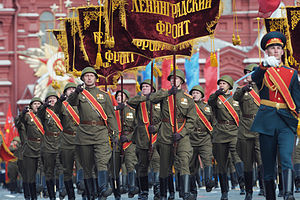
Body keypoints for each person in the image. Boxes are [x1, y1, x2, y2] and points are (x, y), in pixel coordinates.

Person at [251, 31, 300, 200]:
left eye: (279, 48)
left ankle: (288, 194)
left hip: (286, 121)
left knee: (287, 157)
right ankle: (270, 196)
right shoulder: (262, 70)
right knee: (268, 162)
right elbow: (254, 78)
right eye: (272, 48)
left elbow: (297, 99)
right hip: (267, 121)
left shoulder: (292, 73)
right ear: (267, 51)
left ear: (282, 51)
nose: (276, 51)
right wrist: (264, 66)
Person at [68, 67, 119, 199]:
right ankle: (90, 193)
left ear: (96, 78)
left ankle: (103, 188)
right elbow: (71, 102)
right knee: (87, 166)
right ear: (83, 79)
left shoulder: (104, 95)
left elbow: (111, 116)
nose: (89, 78)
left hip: (101, 132)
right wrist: (76, 92)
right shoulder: (79, 94)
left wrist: (115, 134)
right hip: (84, 133)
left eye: (91, 76)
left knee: (102, 161)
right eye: (86, 76)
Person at [148, 69, 196, 200]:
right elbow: (152, 99)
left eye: (177, 78)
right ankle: (165, 194)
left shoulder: (188, 99)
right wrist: (168, 93)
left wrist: (183, 133)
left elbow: (192, 120)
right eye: (172, 79)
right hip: (165, 133)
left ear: (182, 81)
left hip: (182, 135)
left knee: (184, 161)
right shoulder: (164, 94)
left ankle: (185, 193)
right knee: (165, 166)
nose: (174, 81)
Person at [208, 75, 242, 200]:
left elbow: (242, 115)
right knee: (221, 164)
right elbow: (210, 102)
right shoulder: (216, 98)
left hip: (234, 131)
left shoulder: (236, 98)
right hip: (220, 133)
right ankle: (224, 191)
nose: (221, 85)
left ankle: (242, 179)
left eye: (224, 83)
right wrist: (216, 94)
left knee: (236, 154)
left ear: (229, 85)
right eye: (220, 83)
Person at [127, 79, 161, 200]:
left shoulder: (159, 102)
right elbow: (130, 101)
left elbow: (165, 119)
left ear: (153, 89)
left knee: (157, 164)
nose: (144, 88)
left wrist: (156, 127)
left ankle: (158, 191)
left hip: (156, 138)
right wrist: (146, 98)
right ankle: (144, 191)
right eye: (143, 87)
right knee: (142, 166)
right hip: (142, 138)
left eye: (147, 86)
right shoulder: (139, 100)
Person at [233, 64, 263, 200]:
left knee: (261, 160)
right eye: (247, 73)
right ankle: (249, 191)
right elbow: (235, 97)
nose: (249, 75)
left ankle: (264, 187)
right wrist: (244, 89)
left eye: (251, 72)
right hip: (245, 129)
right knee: (247, 162)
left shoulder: (262, 88)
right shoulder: (242, 90)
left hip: (260, 128)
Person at [110, 89, 138, 200]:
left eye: (121, 95)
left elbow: (137, 127)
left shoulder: (132, 110)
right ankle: (116, 192)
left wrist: (128, 137)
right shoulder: (113, 111)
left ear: (126, 97)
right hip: (115, 141)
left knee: (130, 163)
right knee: (115, 167)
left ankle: (132, 187)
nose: (119, 97)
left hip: (128, 141)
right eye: (117, 96)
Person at [188, 85, 215, 197]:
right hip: (191, 138)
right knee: (191, 166)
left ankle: (208, 182)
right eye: (193, 93)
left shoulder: (207, 107)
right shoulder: (188, 107)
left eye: (197, 93)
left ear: (202, 95)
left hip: (205, 138)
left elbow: (213, 122)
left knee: (207, 159)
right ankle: (192, 190)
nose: (195, 94)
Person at [55, 82, 79, 200]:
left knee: (84, 166)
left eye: (73, 89)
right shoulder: (62, 105)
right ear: (65, 92)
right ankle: (71, 195)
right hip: (67, 140)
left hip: (82, 139)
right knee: (67, 169)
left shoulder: (82, 103)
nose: (71, 91)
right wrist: (59, 101)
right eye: (69, 89)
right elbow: (55, 112)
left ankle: (85, 190)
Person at [16, 97, 43, 200]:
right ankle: (29, 196)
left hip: (41, 147)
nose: (37, 105)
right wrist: (22, 114)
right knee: (27, 175)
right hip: (26, 149)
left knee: (41, 171)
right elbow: (18, 123)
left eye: (39, 103)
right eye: (35, 104)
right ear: (31, 106)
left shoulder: (44, 117)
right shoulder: (26, 118)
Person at [37, 90, 61, 200]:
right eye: (50, 98)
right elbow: (39, 114)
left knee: (61, 168)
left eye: (54, 98)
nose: (52, 100)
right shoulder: (44, 112)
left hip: (61, 142)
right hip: (48, 143)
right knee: (49, 171)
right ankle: (51, 194)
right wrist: (43, 107)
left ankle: (62, 191)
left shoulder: (62, 110)